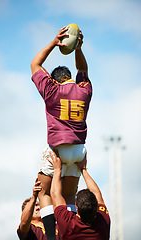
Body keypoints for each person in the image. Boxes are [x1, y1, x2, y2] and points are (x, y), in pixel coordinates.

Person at [30, 26, 92, 239]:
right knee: (69, 196)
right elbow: (83, 70)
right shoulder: (84, 90)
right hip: (78, 151)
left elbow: (35, 64)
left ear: (55, 80)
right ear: (70, 77)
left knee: (44, 193)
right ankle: (70, 233)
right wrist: (78, 48)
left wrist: (54, 43)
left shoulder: (52, 90)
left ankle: (50, 235)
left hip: (58, 150)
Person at [48, 151, 111, 240]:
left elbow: (55, 194)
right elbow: (55, 194)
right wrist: (83, 170)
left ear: (76, 208)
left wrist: (57, 169)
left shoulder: (68, 223)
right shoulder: (103, 221)